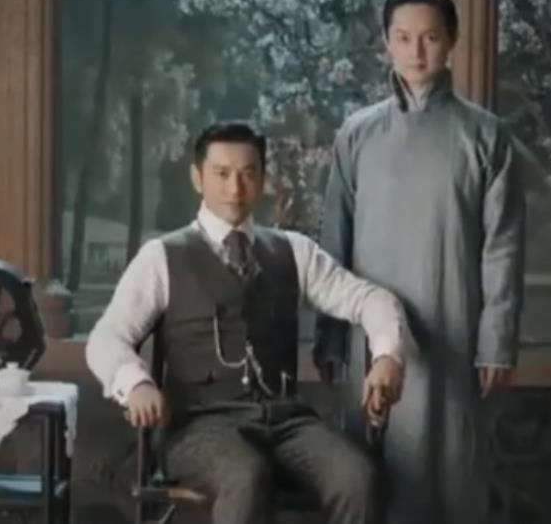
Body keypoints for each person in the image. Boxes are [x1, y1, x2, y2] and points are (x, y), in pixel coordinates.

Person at [86, 122, 409, 524]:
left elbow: (372, 300)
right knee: (245, 476)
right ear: (197, 177)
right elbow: (106, 338)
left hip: (286, 422)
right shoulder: (161, 257)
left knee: (357, 478)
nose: (235, 189)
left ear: (262, 178)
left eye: (248, 174)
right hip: (197, 426)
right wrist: (136, 384)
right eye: (221, 174)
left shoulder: (293, 251)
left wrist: (387, 356)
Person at [314, 0, 526, 524]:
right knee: (368, 475)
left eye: (430, 37)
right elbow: (334, 241)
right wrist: (330, 336)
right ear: (385, 41)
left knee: (451, 472)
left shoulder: (486, 136)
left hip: (453, 327)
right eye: (404, 37)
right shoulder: (357, 134)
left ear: (451, 40)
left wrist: (496, 343)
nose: (417, 51)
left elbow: (503, 248)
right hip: (369, 338)